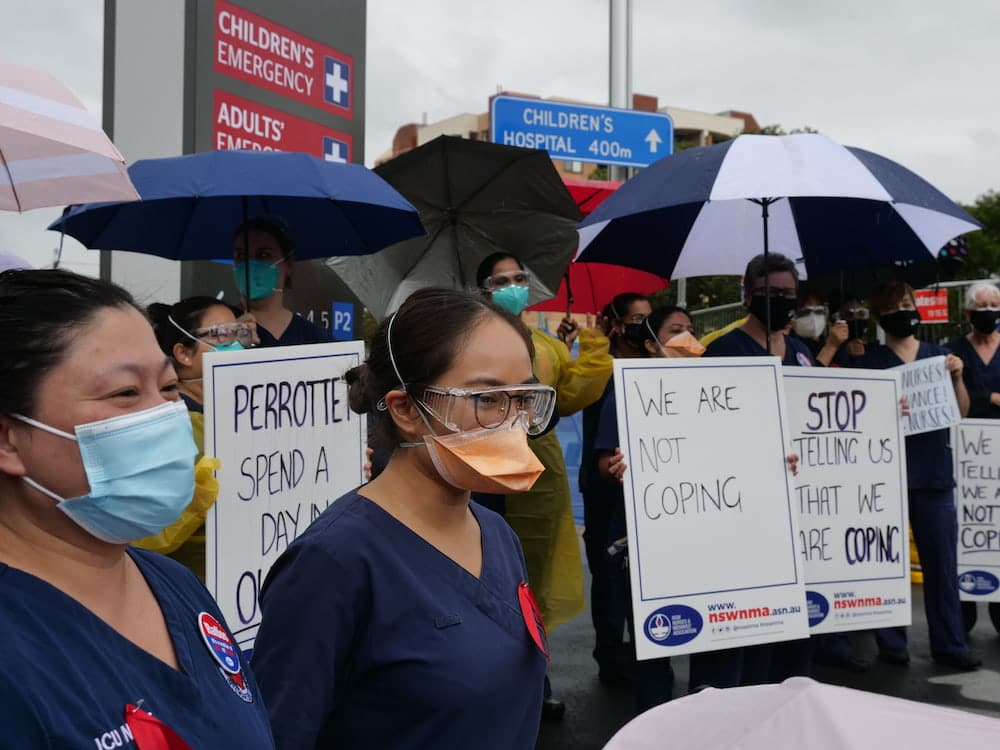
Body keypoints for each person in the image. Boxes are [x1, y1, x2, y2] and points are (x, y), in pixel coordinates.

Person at [251, 288, 550, 749]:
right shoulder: (334, 562)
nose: (513, 421)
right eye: (488, 398)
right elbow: (278, 732)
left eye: (525, 397)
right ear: (406, 410)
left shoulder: (496, 533)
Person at [0, 269, 274, 748]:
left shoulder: (174, 586)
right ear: (9, 439)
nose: (163, 417)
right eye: (125, 393)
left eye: (168, 390)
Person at [475, 252, 613, 718]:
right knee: (489, 573)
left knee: (537, 576)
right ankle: (490, 679)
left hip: (542, 474)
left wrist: (589, 349)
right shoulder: (469, 341)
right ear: (483, 291)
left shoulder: (546, 345)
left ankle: (537, 675)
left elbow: (570, 397)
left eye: (519, 277)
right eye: (501, 280)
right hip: (485, 470)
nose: (513, 286)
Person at [692, 252, 815, 690]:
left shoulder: (803, 354)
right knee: (733, 636)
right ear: (748, 295)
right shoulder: (722, 351)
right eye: (770, 294)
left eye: (788, 295)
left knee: (781, 636)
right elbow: (705, 432)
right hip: (740, 516)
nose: (781, 301)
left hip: (795, 517)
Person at [856, 281, 980, 670]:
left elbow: (960, 412)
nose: (903, 310)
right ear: (880, 317)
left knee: (942, 565)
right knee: (887, 563)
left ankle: (950, 643)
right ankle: (892, 643)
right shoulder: (869, 361)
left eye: (907, 303)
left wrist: (957, 378)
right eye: (893, 306)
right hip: (886, 476)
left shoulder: (940, 357)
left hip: (934, 476)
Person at [593, 305, 703, 712]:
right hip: (647, 541)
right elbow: (604, 464)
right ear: (651, 342)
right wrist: (618, 465)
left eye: (691, 330)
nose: (686, 338)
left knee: (709, 643)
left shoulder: (716, 392)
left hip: (702, 536)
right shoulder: (627, 389)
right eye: (675, 330)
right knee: (656, 645)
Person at [135, 297, 255, 578]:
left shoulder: (244, 418)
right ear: (183, 353)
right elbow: (145, 536)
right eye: (223, 335)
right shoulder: (171, 426)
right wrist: (193, 501)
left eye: (241, 334)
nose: (235, 344)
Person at [580, 293, 651, 687]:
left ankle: (640, 652)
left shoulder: (658, 365)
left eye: (649, 319)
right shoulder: (601, 368)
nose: (644, 326)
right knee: (608, 578)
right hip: (604, 490)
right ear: (618, 324)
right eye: (637, 319)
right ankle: (610, 654)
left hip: (645, 495)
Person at [947, 282, 1000, 635]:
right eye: (982, 306)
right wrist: (993, 398)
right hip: (967, 459)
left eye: (995, 304)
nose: (989, 311)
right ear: (968, 313)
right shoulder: (954, 352)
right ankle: (962, 617)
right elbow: (960, 408)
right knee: (968, 532)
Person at [233, 216, 330, 346]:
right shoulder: (214, 330)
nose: (250, 265)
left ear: (288, 264)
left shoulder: (317, 340)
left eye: (263, 255)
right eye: (241, 256)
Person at [790, 289, 849, 366]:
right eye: (806, 312)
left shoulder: (834, 345)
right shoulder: (790, 347)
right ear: (794, 317)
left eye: (819, 312)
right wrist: (832, 345)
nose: (813, 317)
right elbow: (810, 375)